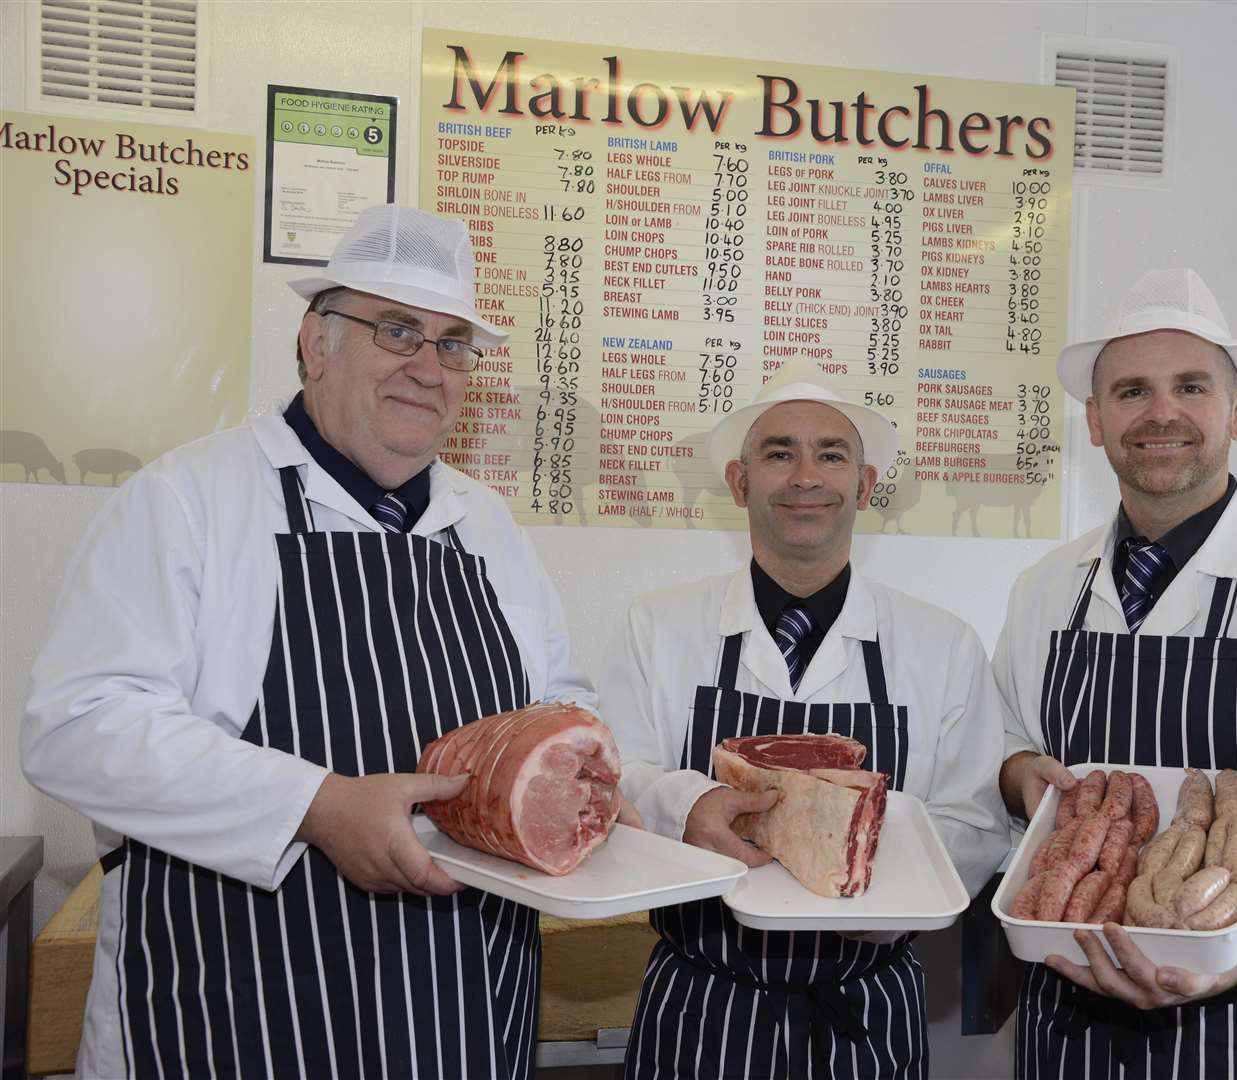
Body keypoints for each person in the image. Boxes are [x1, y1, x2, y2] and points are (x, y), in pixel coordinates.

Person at [21, 204, 597, 1080]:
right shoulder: (189, 500)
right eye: (397, 329)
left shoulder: (485, 525)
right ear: (316, 341)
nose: (427, 366)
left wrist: (585, 780)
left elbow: (556, 699)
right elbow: (76, 726)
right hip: (239, 1000)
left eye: (452, 345)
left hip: (461, 1002)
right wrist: (315, 805)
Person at [995, 268, 1237, 1078]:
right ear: (1097, 421)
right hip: (1068, 1025)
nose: (1160, 413)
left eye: (1191, 387)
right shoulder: (1046, 589)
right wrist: (1016, 776)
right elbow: (1005, 740)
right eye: (1131, 391)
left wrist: (1214, 954)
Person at [602, 358, 1008, 1079]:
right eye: (779, 452)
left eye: (831, 453)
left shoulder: (942, 643)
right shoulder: (658, 624)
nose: (804, 475)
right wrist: (692, 804)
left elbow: (975, 825)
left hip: (867, 1009)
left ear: (865, 485)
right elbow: (621, 780)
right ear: (739, 481)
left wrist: (862, 866)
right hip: (702, 1004)